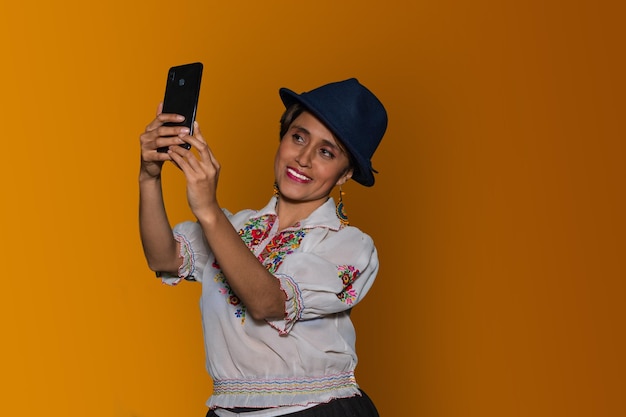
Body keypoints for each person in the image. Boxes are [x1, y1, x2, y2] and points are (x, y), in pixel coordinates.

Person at [138, 78, 388, 417]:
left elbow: (268, 303)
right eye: (298, 137)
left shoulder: (350, 247)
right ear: (283, 137)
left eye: (326, 152)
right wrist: (149, 176)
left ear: (345, 175)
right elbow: (163, 257)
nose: (303, 158)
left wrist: (209, 210)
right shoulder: (236, 227)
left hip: (313, 411)